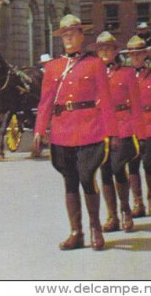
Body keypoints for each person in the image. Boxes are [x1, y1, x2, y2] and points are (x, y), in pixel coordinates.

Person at [32, 14, 116, 251]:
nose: (68, 39)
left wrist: (113, 133)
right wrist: (39, 130)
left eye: (72, 34)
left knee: (87, 177)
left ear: (81, 36)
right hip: (62, 131)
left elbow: (106, 101)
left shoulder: (95, 64)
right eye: (64, 35)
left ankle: (95, 228)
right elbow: (45, 101)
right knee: (69, 180)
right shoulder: (53, 67)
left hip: (90, 130)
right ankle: (76, 232)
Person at [88, 32, 141, 233]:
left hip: (122, 126)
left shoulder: (127, 73)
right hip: (100, 127)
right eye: (100, 49)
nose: (104, 52)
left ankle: (125, 210)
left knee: (118, 168)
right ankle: (112, 216)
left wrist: (140, 133)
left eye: (108, 49)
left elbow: (135, 104)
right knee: (104, 170)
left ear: (115, 51)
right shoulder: (93, 73)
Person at [123, 35, 151, 218]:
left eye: (139, 54)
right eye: (133, 55)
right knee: (132, 165)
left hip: (150, 124)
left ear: (145, 55)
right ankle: (138, 202)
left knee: (149, 164)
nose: (136, 58)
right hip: (132, 126)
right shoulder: (124, 75)